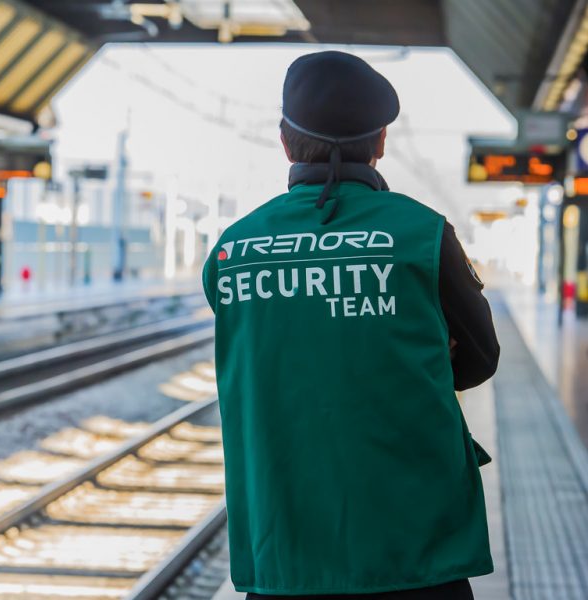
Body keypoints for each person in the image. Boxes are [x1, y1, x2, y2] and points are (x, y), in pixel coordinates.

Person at [202, 51, 500, 600]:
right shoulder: (422, 235)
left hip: (284, 553)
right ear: (380, 141)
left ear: (285, 141)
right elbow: (481, 359)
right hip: (415, 552)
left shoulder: (233, 250)